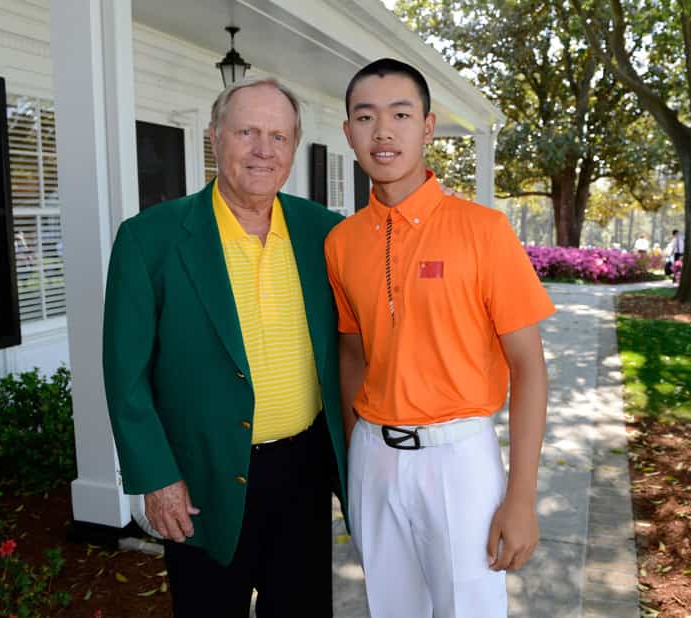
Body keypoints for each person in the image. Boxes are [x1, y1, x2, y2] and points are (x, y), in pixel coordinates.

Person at [102, 77, 348, 617]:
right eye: (248, 132)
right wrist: (157, 477)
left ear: (294, 146)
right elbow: (126, 375)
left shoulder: (324, 233)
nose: (264, 150)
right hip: (200, 476)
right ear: (215, 137)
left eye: (279, 137)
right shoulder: (150, 239)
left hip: (303, 471)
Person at [324, 58, 555, 617]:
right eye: (366, 116)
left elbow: (529, 368)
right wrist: (359, 450)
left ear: (427, 127)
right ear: (349, 131)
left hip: (458, 460)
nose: (383, 131)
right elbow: (352, 352)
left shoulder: (484, 230)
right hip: (374, 458)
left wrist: (521, 498)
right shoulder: (342, 242)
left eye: (401, 114)